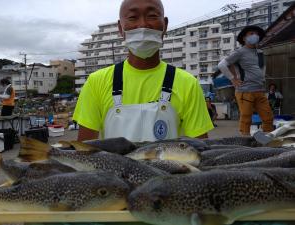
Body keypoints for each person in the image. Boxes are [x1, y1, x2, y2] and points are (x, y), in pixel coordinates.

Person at [73, 0, 214, 142]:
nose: (143, 25)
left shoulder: (188, 84)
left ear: (164, 25)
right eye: (133, 17)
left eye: (152, 16)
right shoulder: (96, 82)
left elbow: (200, 150)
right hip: (113, 165)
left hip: (168, 165)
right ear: (120, 28)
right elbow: (84, 151)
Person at [218, 25, 273, 136]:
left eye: (256, 34)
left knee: (268, 117)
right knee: (246, 118)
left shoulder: (260, 53)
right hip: (245, 91)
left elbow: (262, 68)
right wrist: (233, 79)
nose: (254, 36)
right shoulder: (240, 52)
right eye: (251, 34)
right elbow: (222, 65)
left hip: (260, 90)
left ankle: (268, 141)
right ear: (244, 38)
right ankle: (244, 142)